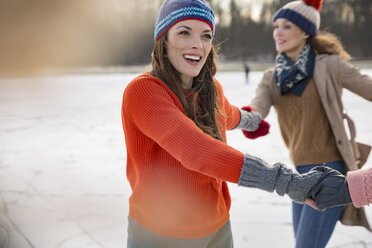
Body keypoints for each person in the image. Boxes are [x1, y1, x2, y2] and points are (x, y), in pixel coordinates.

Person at [121, 0, 331, 247]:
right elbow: (197, 150)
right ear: (163, 40)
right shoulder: (144, 91)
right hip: (162, 232)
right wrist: (286, 181)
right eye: (184, 32)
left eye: (206, 35)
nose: (197, 45)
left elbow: (229, 114)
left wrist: (251, 122)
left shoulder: (211, 89)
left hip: (218, 225)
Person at [248, 0, 372, 247]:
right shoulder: (272, 77)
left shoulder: (330, 66)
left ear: (306, 31)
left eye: (286, 26)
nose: (278, 33)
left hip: (331, 172)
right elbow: (257, 107)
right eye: (276, 26)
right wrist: (249, 119)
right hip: (297, 176)